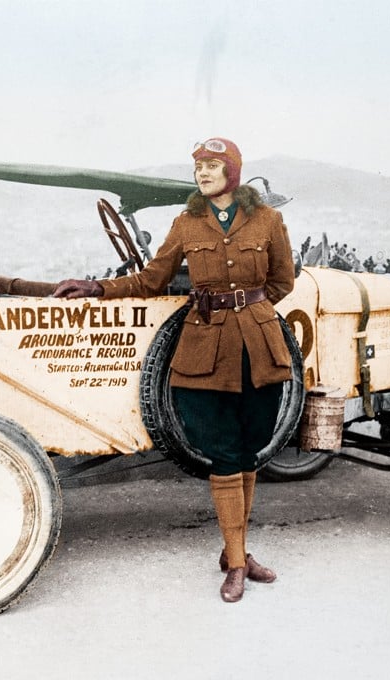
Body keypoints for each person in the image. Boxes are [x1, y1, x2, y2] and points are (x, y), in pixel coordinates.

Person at [54, 137, 295, 603]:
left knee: (249, 449)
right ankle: (238, 563)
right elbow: (151, 279)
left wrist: (251, 313)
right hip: (204, 351)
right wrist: (96, 287)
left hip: (258, 349)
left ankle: (235, 551)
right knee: (224, 451)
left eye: (211, 166)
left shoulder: (268, 220)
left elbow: (282, 280)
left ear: (232, 172)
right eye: (198, 167)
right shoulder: (186, 223)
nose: (202, 174)